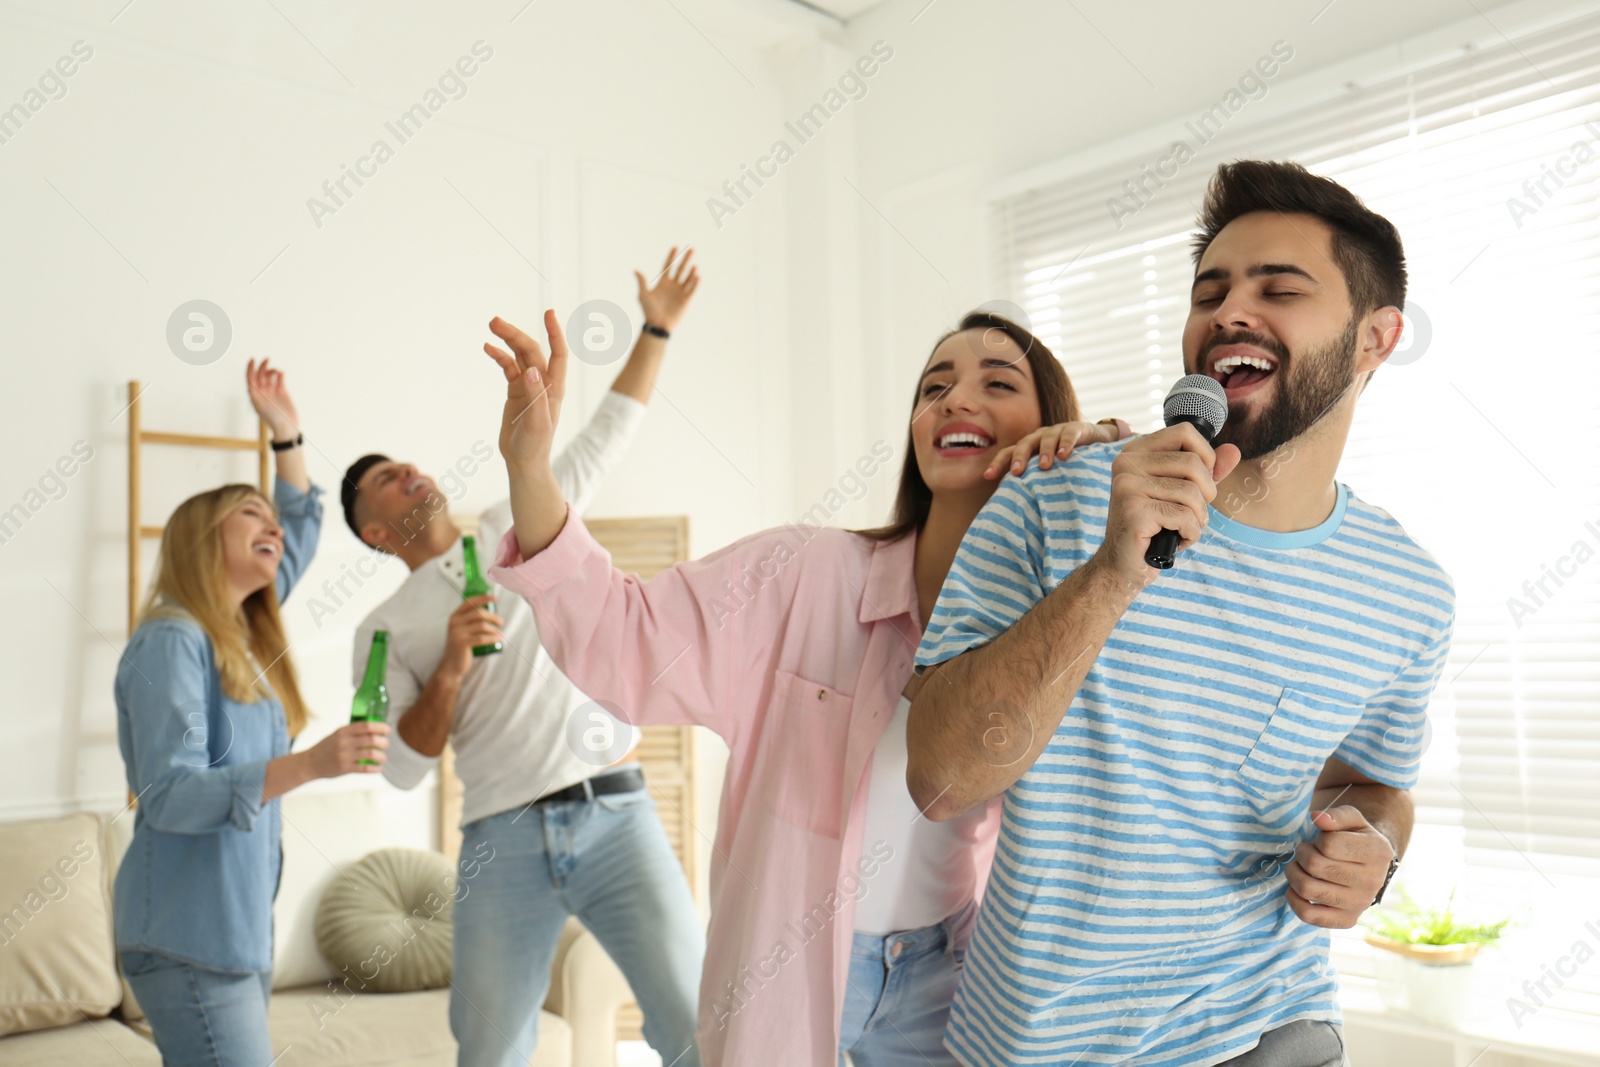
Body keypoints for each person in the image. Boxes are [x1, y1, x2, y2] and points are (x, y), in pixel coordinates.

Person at [478, 301, 1131, 1065]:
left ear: (1051, 422)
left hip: (958, 979)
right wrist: (529, 466)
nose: (955, 400)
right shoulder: (804, 573)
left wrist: (1102, 459)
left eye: (997, 382)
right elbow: (624, 638)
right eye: (934, 387)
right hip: (790, 973)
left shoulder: (1072, 620)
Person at [907, 160, 1451, 1067]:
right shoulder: (1053, 498)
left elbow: (1373, 785)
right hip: (1045, 1043)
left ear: (1374, 338)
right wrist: (1115, 574)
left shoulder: (1408, 589)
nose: (1229, 312)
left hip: (1272, 1024)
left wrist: (1374, 851)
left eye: (1279, 287)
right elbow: (942, 779)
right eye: (1211, 291)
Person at [342, 249, 705, 1067]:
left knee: (696, 1024)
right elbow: (400, 769)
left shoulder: (521, 519)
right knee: (490, 1051)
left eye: (406, 463)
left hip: (617, 812)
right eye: (384, 483)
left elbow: (610, 430)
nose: (407, 472)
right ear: (373, 532)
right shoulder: (384, 628)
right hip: (499, 840)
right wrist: (450, 669)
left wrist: (656, 327)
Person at [114, 360, 390, 1067]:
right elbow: (170, 793)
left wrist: (287, 434)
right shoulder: (173, 639)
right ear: (205, 539)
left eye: (270, 517)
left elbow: (295, 527)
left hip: (235, 933)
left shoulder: (240, 641)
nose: (272, 526)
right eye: (250, 514)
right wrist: (311, 763)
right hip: (188, 937)